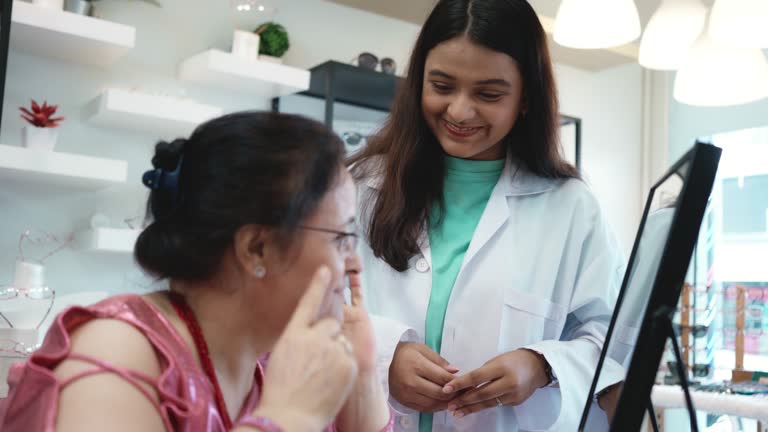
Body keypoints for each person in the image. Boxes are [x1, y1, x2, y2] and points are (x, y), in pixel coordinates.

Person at [0, 112, 394, 432]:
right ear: (256, 247)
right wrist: (286, 419)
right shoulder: (116, 349)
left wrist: (361, 376)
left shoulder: (268, 362)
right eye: (342, 236)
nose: (353, 261)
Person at [348, 0, 626, 430]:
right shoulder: (359, 187)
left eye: (488, 94)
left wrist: (541, 365)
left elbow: (613, 340)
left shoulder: (571, 207)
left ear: (527, 98)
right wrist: (383, 354)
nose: (459, 111)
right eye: (441, 86)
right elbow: (307, 311)